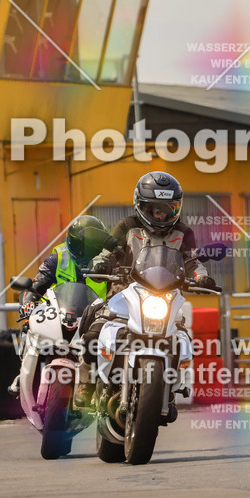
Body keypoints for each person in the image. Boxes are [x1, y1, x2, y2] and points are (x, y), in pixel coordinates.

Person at [74, 171, 216, 407]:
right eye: (154, 208)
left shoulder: (183, 232)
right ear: (141, 205)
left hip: (166, 297)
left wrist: (202, 278)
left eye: (168, 209)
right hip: (123, 292)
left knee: (181, 338)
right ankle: (86, 383)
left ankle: (169, 387)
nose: (161, 214)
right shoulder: (127, 226)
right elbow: (111, 252)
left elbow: (192, 261)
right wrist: (101, 263)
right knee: (93, 328)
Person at [7, 215, 109, 396]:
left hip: (92, 320)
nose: (85, 252)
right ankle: (22, 373)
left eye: (92, 248)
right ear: (72, 242)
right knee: (28, 327)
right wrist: (28, 305)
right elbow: (35, 285)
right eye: (81, 246)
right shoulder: (57, 258)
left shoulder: (107, 264)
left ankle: (106, 384)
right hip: (57, 313)